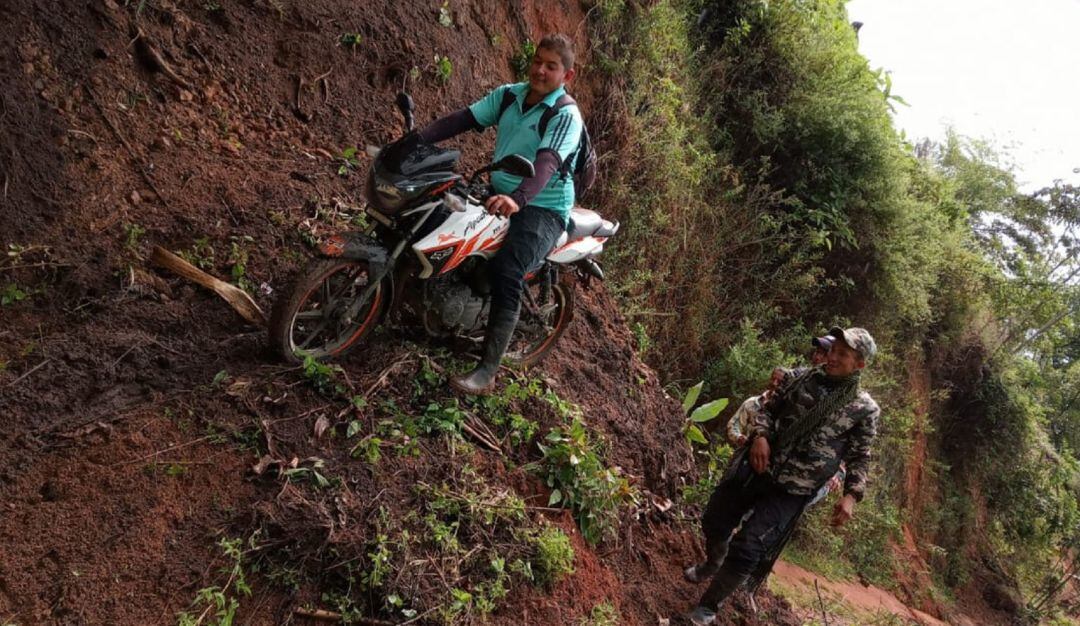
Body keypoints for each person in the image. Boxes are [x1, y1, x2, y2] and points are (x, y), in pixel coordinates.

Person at [411, 33, 584, 396]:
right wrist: (418, 139)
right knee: (442, 218)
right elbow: (465, 119)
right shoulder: (510, 95)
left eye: (551, 66)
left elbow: (548, 162)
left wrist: (519, 198)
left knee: (508, 270)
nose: (540, 70)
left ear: (567, 75)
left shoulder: (566, 115)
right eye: (538, 61)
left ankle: (487, 371)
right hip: (501, 193)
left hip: (543, 208)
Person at [683, 327, 880, 625]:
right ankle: (713, 562)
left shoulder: (864, 409)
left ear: (860, 364)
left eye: (843, 354)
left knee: (749, 546)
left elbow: (860, 455)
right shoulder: (799, 378)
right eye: (833, 350)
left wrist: (851, 496)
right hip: (759, 466)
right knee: (714, 518)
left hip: (794, 489)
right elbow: (768, 409)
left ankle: (708, 607)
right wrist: (760, 435)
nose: (833, 357)